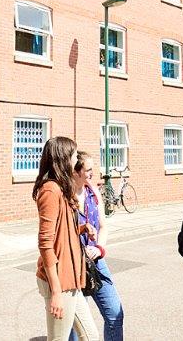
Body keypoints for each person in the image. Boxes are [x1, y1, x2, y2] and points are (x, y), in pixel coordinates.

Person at [33, 136, 99, 341]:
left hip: (71, 278)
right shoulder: (50, 190)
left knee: (91, 336)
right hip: (60, 281)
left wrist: (80, 228)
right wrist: (56, 292)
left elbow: (61, 231)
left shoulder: (60, 188)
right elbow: (45, 243)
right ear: (62, 159)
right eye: (72, 155)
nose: (75, 160)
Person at [69, 151, 124, 341]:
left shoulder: (93, 193)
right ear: (76, 172)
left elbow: (103, 226)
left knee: (115, 314)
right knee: (74, 324)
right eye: (88, 169)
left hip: (95, 262)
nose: (93, 173)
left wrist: (99, 248)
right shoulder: (65, 197)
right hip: (73, 266)